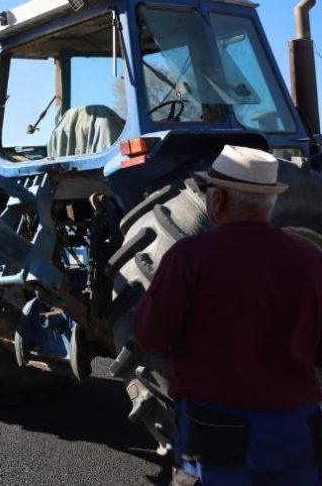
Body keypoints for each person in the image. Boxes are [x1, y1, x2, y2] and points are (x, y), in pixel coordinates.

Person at [134, 145, 322, 485]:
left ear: (217, 199)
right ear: (271, 202)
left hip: (216, 430)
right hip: (297, 427)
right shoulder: (311, 260)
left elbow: (151, 337)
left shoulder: (189, 257)